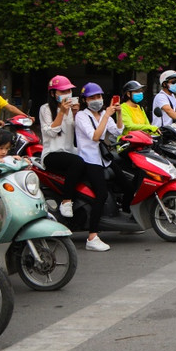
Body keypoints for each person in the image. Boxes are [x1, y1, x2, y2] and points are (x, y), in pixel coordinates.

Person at [75, 82, 121, 252]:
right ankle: (92, 237)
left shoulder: (103, 114)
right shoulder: (81, 116)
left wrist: (119, 114)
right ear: (85, 100)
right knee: (101, 194)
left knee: (124, 182)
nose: (97, 100)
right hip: (89, 160)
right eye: (92, 97)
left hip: (103, 158)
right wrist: (107, 116)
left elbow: (117, 131)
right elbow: (95, 136)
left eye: (99, 97)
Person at [37, 75, 87, 220]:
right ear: (53, 94)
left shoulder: (72, 110)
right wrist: (62, 112)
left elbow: (79, 131)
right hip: (52, 153)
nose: (67, 95)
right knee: (77, 162)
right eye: (62, 92)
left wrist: (76, 113)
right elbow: (51, 132)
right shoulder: (45, 109)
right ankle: (66, 201)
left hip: (70, 150)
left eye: (68, 91)